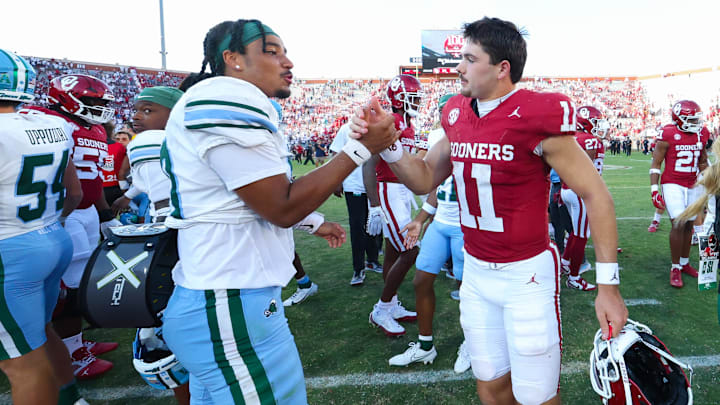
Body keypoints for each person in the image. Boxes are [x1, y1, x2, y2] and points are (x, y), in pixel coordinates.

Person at [350, 17, 627, 404]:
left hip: (526, 275)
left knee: (537, 396)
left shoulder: (538, 114)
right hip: (476, 273)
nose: (458, 67)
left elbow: (597, 197)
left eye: (469, 58)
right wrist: (388, 145)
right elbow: (425, 176)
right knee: (491, 386)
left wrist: (608, 287)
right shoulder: (457, 113)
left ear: (502, 68)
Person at [159, 19, 396, 404]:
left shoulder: (218, 99)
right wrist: (361, 150)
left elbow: (247, 194)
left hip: (221, 293)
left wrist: (314, 222)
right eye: (271, 51)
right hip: (228, 299)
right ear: (232, 58)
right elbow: (279, 206)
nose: (287, 61)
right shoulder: (226, 97)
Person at [0, 49, 87, 405]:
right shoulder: (52, 124)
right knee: (42, 332)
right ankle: (72, 400)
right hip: (52, 238)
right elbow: (75, 192)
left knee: (21, 365)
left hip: (11, 250)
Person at [22, 73, 121, 380]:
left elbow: (96, 180)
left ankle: (75, 342)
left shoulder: (94, 129)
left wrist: (105, 215)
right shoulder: (48, 120)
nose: (98, 107)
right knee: (68, 290)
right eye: (92, 101)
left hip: (87, 209)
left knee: (82, 284)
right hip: (65, 212)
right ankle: (71, 354)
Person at [387, 93, 470, 373]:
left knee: (466, 291)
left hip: (466, 227)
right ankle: (424, 346)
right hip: (441, 224)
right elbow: (435, 184)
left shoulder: (476, 138)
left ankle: (471, 343)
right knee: (421, 280)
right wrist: (421, 218)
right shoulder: (439, 139)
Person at [363, 74, 426, 337]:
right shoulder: (390, 122)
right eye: (412, 97)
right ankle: (381, 308)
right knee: (411, 251)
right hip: (387, 190)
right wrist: (374, 204)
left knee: (392, 252)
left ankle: (392, 304)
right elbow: (368, 162)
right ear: (399, 98)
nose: (417, 102)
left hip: (400, 191)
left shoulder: (408, 125)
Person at [650, 100, 710, 288]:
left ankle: (684, 263)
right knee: (678, 223)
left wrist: (709, 177)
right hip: (672, 183)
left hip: (693, 183)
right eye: (691, 119)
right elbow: (656, 163)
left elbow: (702, 161)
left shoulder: (701, 133)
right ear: (679, 118)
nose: (696, 123)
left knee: (689, 224)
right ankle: (675, 267)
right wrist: (654, 190)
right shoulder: (667, 133)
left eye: (696, 119)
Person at [560, 106, 609, 291]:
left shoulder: (571, 138)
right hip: (581, 191)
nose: (599, 126)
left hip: (568, 190)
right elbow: (584, 169)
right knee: (581, 235)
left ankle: (565, 262)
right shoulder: (590, 141)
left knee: (576, 231)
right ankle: (574, 277)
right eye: (596, 122)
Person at [329, 123, 383, 286]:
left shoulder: (378, 128)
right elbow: (335, 153)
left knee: (375, 225)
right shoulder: (347, 128)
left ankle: (372, 260)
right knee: (358, 228)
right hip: (355, 185)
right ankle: (358, 268)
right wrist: (336, 181)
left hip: (375, 185)